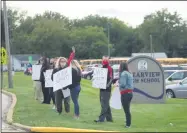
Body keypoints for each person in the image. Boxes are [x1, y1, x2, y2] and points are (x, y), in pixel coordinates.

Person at [51, 47, 75, 115]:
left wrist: (72, 53)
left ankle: (67, 111)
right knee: (58, 100)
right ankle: (59, 111)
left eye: (64, 61)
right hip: (58, 87)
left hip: (66, 87)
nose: (63, 63)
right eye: (61, 61)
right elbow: (52, 77)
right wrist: (57, 82)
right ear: (59, 62)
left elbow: (70, 59)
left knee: (67, 100)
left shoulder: (67, 68)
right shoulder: (56, 69)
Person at [94, 56, 113, 123]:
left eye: (104, 60)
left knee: (104, 104)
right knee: (105, 104)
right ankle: (109, 118)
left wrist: (107, 86)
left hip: (106, 89)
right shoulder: (102, 68)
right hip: (102, 88)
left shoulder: (109, 68)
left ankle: (101, 119)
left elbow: (111, 78)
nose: (103, 61)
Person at [118, 62, 133, 128]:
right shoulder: (129, 73)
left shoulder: (123, 74)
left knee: (126, 110)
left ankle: (128, 124)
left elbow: (123, 84)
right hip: (130, 93)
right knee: (127, 109)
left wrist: (118, 84)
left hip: (125, 93)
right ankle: (127, 122)